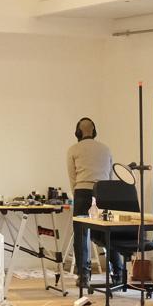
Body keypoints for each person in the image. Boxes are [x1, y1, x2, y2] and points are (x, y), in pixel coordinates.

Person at [67, 117, 114, 288]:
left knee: (81, 235)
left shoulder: (73, 150)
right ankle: (117, 272)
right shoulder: (106, 149)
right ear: (94, 131)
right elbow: (110, 175)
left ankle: (84, 275)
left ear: (78, 132)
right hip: (103, 192)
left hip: (82, 191)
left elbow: (72, 177)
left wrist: (77, 194)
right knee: (108, 233)